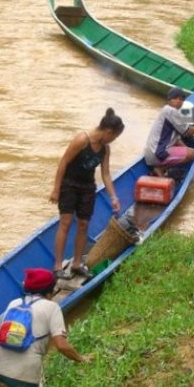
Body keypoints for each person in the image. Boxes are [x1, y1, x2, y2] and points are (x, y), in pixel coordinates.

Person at [0, 268, 89, 387]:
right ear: (51, 291)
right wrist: (82, 359)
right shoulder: (52, 307)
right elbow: (61, 345)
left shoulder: (15, 303)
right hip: (23, 373)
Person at [50, 108, 125, 279]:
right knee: (66, 223)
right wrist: (56, 189)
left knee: (83, 224)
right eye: (114, 136)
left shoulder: (105, 149)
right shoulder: (82, 140)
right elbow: (64, 163)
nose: (113, 140)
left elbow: (105, 174)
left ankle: (76, 264)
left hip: (87, 188)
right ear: (108, 131)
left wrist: (113, 197)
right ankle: (57, 266)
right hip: (69, 185)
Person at [144, 87, 194, 176]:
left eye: (181, 99)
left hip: (151, 154)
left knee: (189, 152)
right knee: (192, 153)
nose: (178, 101)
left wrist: (186, 150)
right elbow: (187, 132)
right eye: (175, 98)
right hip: (157, 154)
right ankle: (160, 169)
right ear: (169, 100)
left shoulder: (167, 111)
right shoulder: (170, 110)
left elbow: (177, 139)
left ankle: (160, 169)